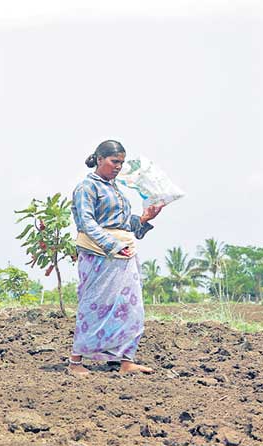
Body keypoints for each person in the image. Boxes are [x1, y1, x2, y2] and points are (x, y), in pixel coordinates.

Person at [68, 140, 164, 375]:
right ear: (99, 159)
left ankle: (125, 360)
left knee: (129, 307)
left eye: (121, 162)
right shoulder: (86, 188)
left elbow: (121, 224)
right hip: (99, 255)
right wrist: (113, 245)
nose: (118, 167)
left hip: (124, 253)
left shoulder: (115, 189)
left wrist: (143, 218)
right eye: (114, 161)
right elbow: (87, 222)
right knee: (94, 305)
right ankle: (75, 362)